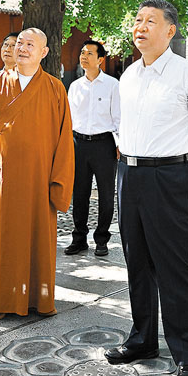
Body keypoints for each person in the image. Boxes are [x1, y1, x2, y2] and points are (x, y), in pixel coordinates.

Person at [104, 0, 188, 376]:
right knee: (137, 262)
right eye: (137, 20)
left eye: (150, 21)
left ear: (170, 30)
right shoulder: (129, 76)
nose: (140, 27)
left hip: (171, 176)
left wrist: (181, 169)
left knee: (175, 267)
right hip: (130, 176)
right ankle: (142, 340)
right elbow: (119, 126)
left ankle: (187, 354)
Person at [0, 28, 75, 321]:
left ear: (44, 52)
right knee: (3, 240)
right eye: (19, 44)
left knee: (39, 240)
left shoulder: (55, 88)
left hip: (40, 177)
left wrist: (59, 183)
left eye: (30, 44)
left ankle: (39, 301)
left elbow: (64, 141)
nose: (22, 49)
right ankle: (0, 301)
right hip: (3, 178)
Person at [64, 39, 120, 258]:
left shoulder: (112, 85)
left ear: (100, 59)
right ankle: (79, 239)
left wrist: (120, 145)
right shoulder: (75, 86)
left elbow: (119, 117)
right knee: (79, 195)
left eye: (89, 53)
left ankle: (102, 239)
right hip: (78, 145)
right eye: (82, 52)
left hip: (104, 144)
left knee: (106, 195)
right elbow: (68, 118)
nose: (84, 56)